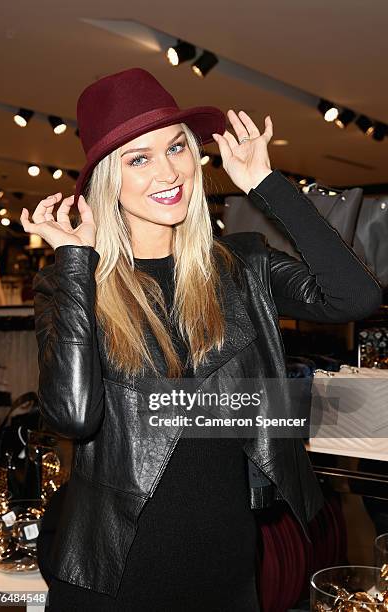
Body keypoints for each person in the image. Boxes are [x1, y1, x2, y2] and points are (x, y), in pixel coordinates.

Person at [21, 68, 382, 611]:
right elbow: (73, 416)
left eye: (176, 148)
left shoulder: (239, 267)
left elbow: (354, 297)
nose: (168, 172)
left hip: (226, 566)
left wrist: (268, 184)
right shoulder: (72, 285)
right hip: (113, 574)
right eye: (137, 158)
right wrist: (76, 260)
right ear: (105, 183)